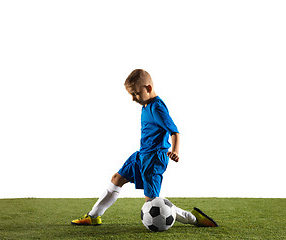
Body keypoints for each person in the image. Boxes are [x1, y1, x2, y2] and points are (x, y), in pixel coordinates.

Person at [71, 69, 218, 228]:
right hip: (142, 155)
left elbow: (175, 132)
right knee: (117, 178)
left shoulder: (157, 108)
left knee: (153, 202)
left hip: (154, 158)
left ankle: (193, 218)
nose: (133, 99)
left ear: (148, 88)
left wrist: (175, 151)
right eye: (131, 95)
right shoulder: (146, 104)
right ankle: (93, 216)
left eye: (135, 94)